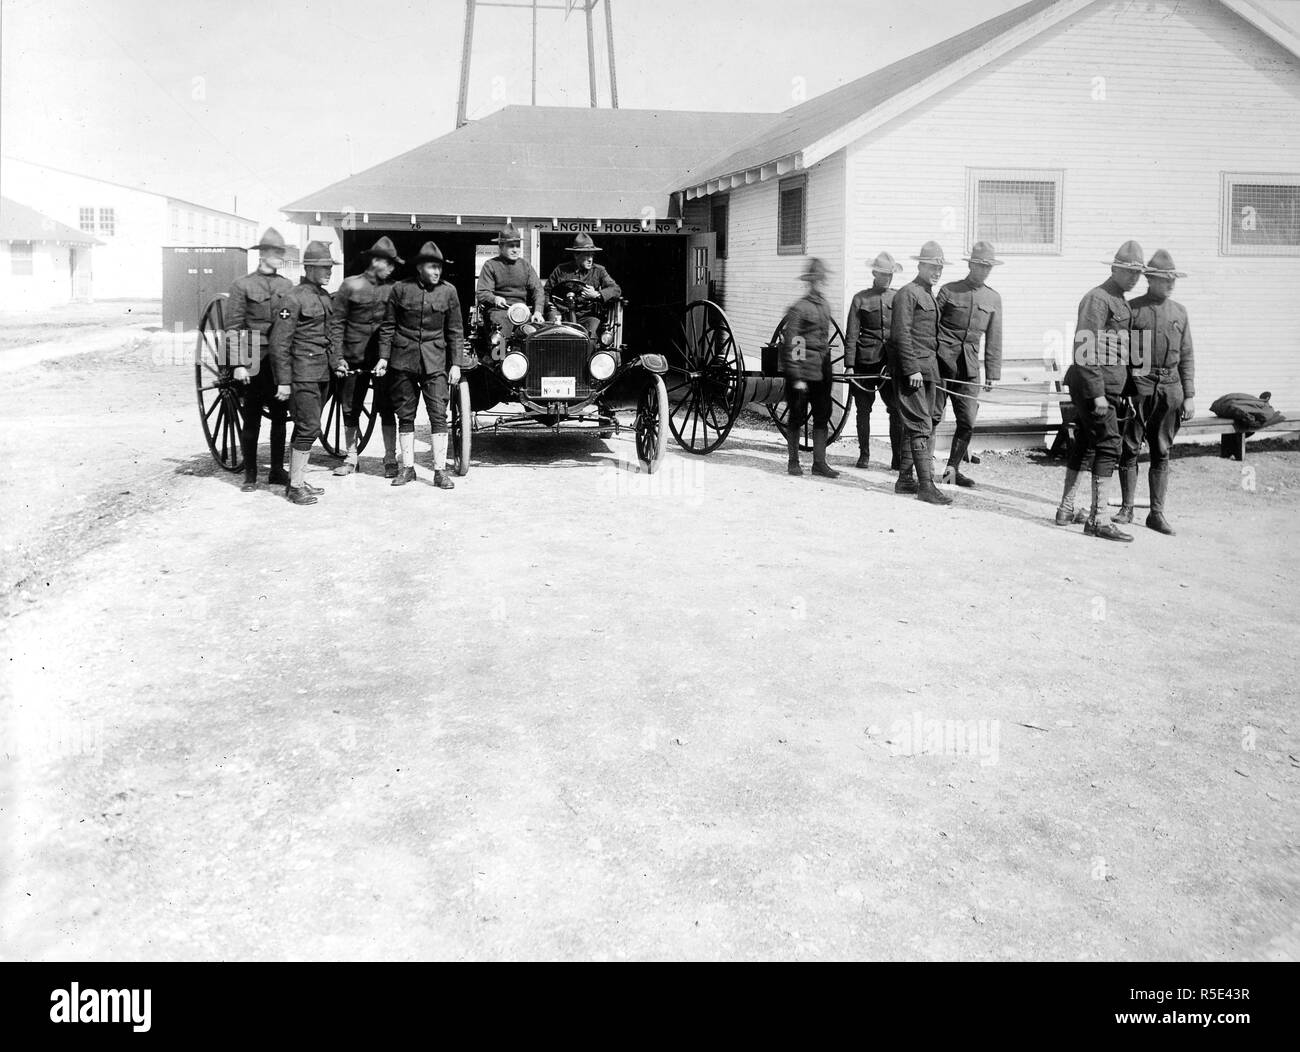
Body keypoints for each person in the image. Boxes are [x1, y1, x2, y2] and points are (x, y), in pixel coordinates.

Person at [1056, 240, 1146, 541]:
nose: (1134, 277)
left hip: (1110, 387)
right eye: (1128, 271)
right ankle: (1098, 519)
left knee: (1084, 443)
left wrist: (1130, 393)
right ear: (1114, 269)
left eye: (1138, 273)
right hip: (1094, 386)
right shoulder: (1098, 298)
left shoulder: (1121, 301)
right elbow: (1084, 346)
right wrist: (1096, 393)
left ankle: (1066, 509)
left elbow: (1131, 351)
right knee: (1109, 445)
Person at [1113, 249, 1196, 535]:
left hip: (1170, 390)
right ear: (1150, 279)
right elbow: (1121, 353)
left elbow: (1186, 355)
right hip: (1139, 387)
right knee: (1130, 448)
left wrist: (1189, 394)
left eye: (1173, 279)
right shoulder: (1133, 310)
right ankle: (1126, 508)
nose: (1170, 283)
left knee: (1162, 450)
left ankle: (1156, 513)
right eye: (1164, 279)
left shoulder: (1179, 312)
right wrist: (1125, 390)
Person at [377, 241, 464, 490]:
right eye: (432, 267)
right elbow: (388, 326)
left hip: (435, 361)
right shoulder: (400, 290)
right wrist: (384, 357)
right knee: (405, 414)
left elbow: (455, 331)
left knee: (438, 414)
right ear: (419, 268)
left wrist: (455, 363)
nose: (437, 272)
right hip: (403, 360)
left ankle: (439, 471)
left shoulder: (449, 292)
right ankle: (408, 468)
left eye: (439, 267)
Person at [268, 241, 347, 506]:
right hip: (302, 374)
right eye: (323, 267)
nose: (329, 272)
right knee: (309, 427)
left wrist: (337, 362)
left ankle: (297, 479)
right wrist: (284, 381)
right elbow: (280, 343)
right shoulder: (292, 298)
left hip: (322, 373)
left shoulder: (324, 297)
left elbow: (331, 336)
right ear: (309, 267)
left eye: (330, 267)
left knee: (306, 427)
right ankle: (295, 487)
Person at [226, 227, 293, 492]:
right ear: (263, 254)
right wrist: (238, 363)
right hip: (252, 354)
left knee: (279, 415)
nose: (279, 258)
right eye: (276, 253)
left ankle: (277, 469)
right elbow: (232, 327)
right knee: (251, 416)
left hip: (278, 357)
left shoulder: (286, 286)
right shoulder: (242, 285)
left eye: (281, 253)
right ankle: (250, 474)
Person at [329, 236, 402, 477]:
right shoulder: (350, 285)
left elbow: (395, 326)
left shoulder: (394, 289)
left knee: (387, 407)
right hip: (352, 358)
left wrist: (387, 356)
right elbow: (336, 324)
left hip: (383, 359)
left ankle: (390, 458)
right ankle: (351, 457)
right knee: (350, 408)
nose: (392, 268)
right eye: (388, 263)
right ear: (375, 261)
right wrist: (337, 357)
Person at [887, 241, 952, 505]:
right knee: (920, 424)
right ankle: (925, 486)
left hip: (929, 370)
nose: (936, 272)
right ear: (920, 265)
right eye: (932, 267)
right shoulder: (908, 293)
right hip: (912, 371)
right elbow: (900, 333)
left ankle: (905, 480)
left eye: (939, 268)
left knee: (919, 424)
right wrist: (911, 367)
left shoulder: (928, 295)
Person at [934, 241, 1004, 487]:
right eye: (979, 265)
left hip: (970, 369)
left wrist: (992, 373)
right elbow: (930, 326)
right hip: (941, 363)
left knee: (967, 421)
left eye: (987, 267)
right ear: (971, 264)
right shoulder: (949, 291)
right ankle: (919, 470)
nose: (983, 271)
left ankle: (951, 470)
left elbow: (994, 338)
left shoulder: (993, 298)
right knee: (931, 418)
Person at [780, 258, 840, 479]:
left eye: (821, 279)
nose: (818, 283)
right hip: (803, 370)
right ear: (809, 282)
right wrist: (796, 376)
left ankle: (819, 463)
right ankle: (793, 461)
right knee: (797, 415)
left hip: (822, 369)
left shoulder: (825, 305)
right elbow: (794, 342)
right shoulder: (800, 308)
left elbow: (824, 339)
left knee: (823, 413)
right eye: (815, 280)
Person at [844, 251, 903, 470]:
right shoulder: (860, 298)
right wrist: (849, 365)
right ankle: (864, 455)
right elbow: (851, 334)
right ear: (874, 273)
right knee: (863, 410)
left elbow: (903, 333)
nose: (887, 278)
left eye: (890, 275)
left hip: (890, 365)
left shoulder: (898, 297)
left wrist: (898, 363)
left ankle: (897, 458)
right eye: (883, 274)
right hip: (864, 363)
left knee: (896, 410)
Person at [476, 224, 545, 341]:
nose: (515, 250)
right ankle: (500, 356)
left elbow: (538, 290)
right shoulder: (491, 265)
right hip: (499, 311)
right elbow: (482, 292)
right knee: (501, 332)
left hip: (522, 312)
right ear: (501, 246)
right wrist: (495, 299)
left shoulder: (525, 266)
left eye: (518, 246)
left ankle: (527, 357)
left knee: (535, 333)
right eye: (511, 246)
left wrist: (538, 311)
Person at [544, 233, 621, 338]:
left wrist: (597, 294)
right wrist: (550, 307)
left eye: (592, 255)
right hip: (562, 313)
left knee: (593, 331)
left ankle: (589, 354)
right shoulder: (561, 270)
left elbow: (616, 289)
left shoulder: (599, 271)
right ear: (576, 255)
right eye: (587, 255)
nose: (590, 259)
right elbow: (546, 292)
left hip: (587, 315)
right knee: (551, 329)